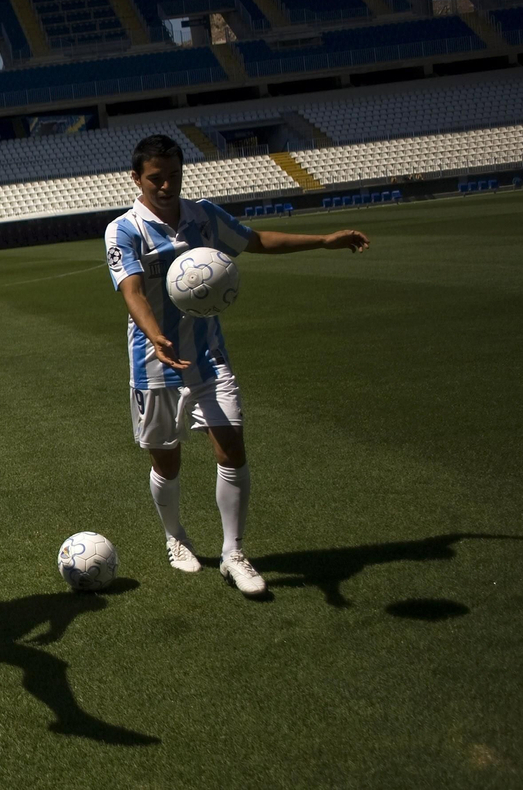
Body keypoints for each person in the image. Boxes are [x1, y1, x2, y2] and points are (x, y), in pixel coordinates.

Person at [104, 135, 368, 596]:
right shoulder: (124, 230)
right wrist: (156, 334)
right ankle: (176, 537)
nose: (166, 185)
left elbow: (256, 240)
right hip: (154, 363)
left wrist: (324, 240)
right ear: (136, 178)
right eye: (155, 178)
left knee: (233, 447)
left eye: (174, 176)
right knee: (166, 463)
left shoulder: (204, 215)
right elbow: (131, 290)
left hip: (208, 357)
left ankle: (233, 553)